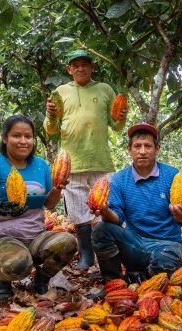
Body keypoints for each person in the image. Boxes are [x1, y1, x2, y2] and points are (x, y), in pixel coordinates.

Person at [0, 115, 77, 301]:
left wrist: (58, 188)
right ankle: (3, 279)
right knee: (19, 263)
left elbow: (49, 203)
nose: (23, 141)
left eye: (28, 136)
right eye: (17, 136)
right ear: (4, 138)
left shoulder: (40, 165)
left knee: (68, 242)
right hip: (0, 239)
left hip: (35, 237)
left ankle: (42, 278)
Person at [43, 49, 128, 271]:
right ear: (68, 69)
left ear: (92, 67)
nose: (80, 68)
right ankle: (86, 257)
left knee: (106, 208)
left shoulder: (105, 90)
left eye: (85, 64)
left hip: (101, 160)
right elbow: (51, 129)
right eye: (75, 65)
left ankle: (108, 256)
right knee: (78, 212)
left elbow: (116, 126)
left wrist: (122, 116)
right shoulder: (60, 92)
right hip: (71, 164)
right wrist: (51, 114)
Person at [90, 123, 182, 287]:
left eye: (148, 146)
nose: (142, 151)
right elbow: (116, 219)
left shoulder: (172, 175)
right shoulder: (120, 179)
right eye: (137, 146)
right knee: (100, 230)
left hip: (166, 244)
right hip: (134, 243)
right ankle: (115, 284)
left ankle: (139, 278)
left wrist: (181, 215)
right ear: (129, 149)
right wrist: (105, 211)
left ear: (157, 149)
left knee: (167, 263)